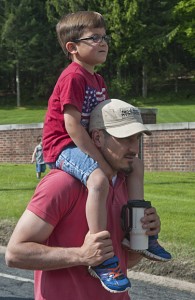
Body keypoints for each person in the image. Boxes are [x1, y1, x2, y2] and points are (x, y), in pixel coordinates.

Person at [42, 11, 171, 291]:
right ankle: (101, 254)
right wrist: (101, 161)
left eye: (104, 37)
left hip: (83, 143)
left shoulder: (97, 81)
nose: (103, 43)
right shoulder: (73, 77)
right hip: (62, 146)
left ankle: (138, 232)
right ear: (72, 47)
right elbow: (73, 126)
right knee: (99, 179)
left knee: (135, 165)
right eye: (94, 38)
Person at [6, 99, 161, 300]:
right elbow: (15, 254)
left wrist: (143, 239)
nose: (134, 148)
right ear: (97, 137)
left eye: (136, 138)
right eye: (124, 138)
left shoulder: (124, 184)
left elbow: (126, 261)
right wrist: (80, 255)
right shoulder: (62, 184)